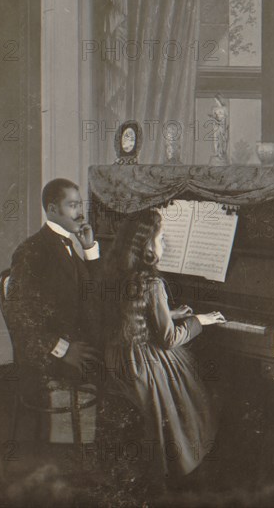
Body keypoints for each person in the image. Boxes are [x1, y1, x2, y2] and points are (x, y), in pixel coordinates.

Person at [101, 208, 225, 485]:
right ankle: (188, 463)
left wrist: (170, 313)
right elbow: (168, 340)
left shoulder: (116, 273)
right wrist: (199, 320)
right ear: (147, 245)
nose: (166, 244)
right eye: (162, 238)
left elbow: (135, 313)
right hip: (145, 366)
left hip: (119, 357)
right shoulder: (153, 282)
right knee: (197, 386)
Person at [5, 178, 101, 387]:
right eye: (73, 206)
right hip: (49, 358)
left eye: (80, 205)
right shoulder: (32, 250)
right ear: (52, 209)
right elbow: (19, 314)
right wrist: (64, 350)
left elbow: (93, 292)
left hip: (76, 341)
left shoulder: (67, 244)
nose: (80, 213)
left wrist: (89, 249)